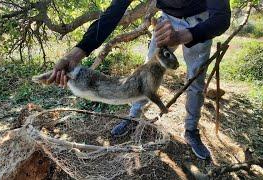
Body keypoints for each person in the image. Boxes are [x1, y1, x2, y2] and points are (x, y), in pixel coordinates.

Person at [47, 0, 231, 160]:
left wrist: (182, 35)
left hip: (200, 21)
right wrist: (75, 54)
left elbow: (222, 19)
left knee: (195, 81)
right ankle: (133, 117)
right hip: (167, 19)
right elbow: (113, 13)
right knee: (145, 72)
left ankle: (191, 130)